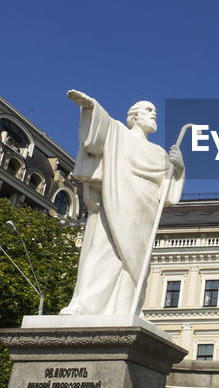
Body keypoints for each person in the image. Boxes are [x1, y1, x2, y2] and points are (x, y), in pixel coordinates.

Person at [60, 90, 184, 316]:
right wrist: (90, 107)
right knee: (104, 249)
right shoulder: (118, 133)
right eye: (148, 109)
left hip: (144, 209)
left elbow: (166, 195)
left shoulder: (158, 153)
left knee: (132, 263)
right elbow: (98, 131)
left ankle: (126, 308)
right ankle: (85, 304)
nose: (153, 113)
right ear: (134, 117)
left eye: (154, 111)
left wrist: (179, 169)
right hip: (116, 196)